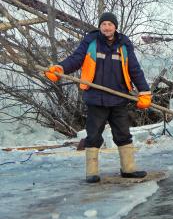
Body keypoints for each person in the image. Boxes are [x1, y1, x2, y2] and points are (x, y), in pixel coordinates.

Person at [45, 12, 152, 183]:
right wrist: (60, 69)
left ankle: (129, 169)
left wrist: (144, 92)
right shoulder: (91, 42)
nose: (107, 27)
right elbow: (76, 59)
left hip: (119, 97)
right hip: (96, 98)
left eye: (110, 24)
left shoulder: (124, 44)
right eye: (104, 24)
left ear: (115, 27)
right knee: (93, 135)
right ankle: (92, 173)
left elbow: (134, 69)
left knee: (123, 134)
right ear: (100, 26)